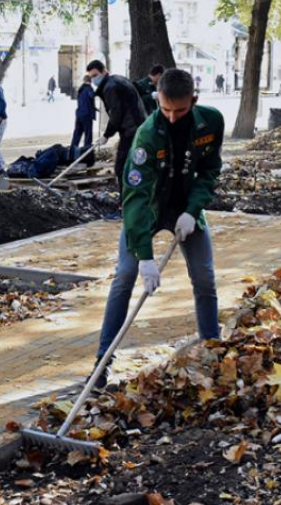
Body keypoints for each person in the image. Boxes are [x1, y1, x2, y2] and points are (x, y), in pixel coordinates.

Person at [91, 69, 222, 388]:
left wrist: (192, 211)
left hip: (185, 210)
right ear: (157, 100)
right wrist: (145, 258)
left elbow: (209, 170)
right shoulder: (146, 136)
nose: (172, 118)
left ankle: (213, 348)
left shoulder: (211, 122)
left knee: (205, 277)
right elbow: (134, 199)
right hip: (148, 210)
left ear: (194, 100)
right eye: (165, 109)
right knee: (124, 275)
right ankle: (102, 363)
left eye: (180, 110)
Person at [86, 59, 147, 213]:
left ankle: (126, 204)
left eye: (95, 75)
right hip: (137, 128)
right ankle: (134, 201)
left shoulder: (110, 87)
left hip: (132, 131)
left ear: (104, 71)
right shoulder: (117, 80)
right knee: (135, 164)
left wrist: (107, 134)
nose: (93, 79)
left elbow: (116, 113)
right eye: (91, 77)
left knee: (121, 167)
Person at [71, 75, 96, 151]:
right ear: (90, 81)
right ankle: (86, 152)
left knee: (77, 134)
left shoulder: (80, 89)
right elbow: (91, 96)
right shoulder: (89, 89)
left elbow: (84, 101)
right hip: (87, 114)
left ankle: (72, 152)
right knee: (88, 135)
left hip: (79, 114)